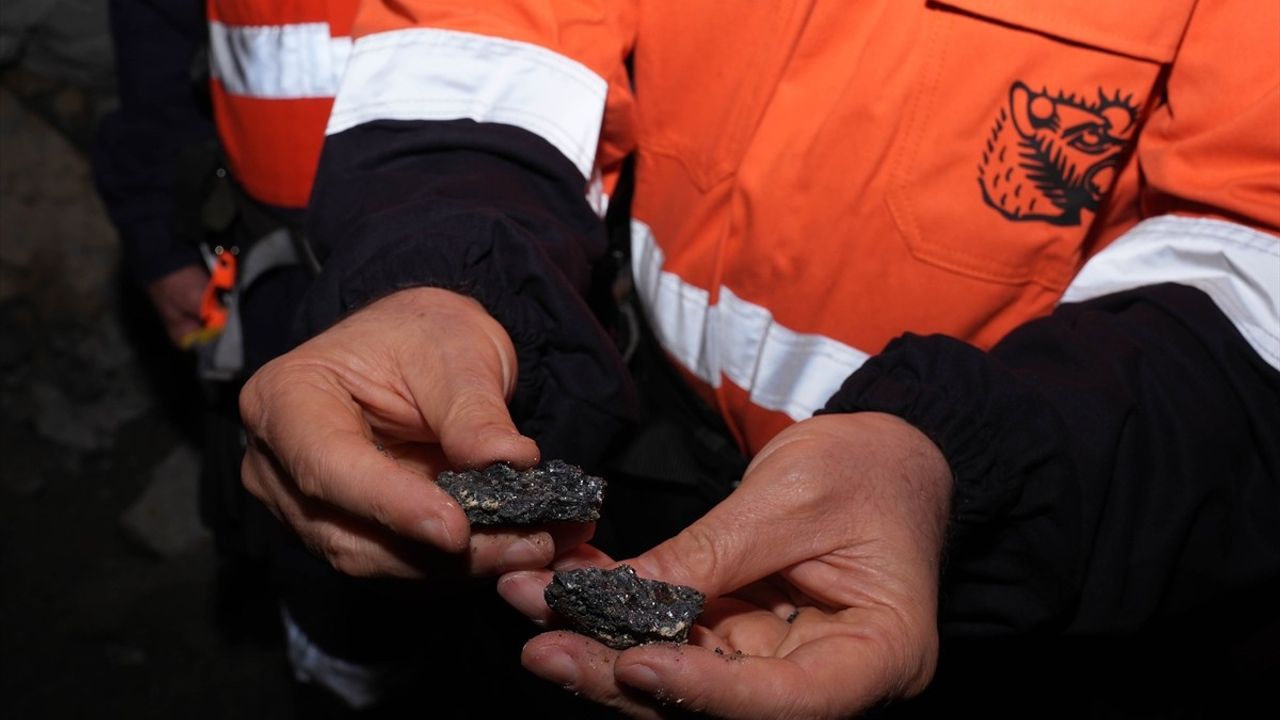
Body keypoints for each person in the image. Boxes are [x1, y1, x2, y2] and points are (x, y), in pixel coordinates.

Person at [239, 1, 1280, 717]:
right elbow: (493, 33)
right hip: (624, 433)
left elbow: (1252, 256)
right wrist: (445, 272)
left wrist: (958, 470)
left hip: (998, 553)